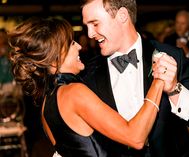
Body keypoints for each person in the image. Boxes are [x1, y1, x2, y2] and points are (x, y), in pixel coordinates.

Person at [8, 17, 165, 157]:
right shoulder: (74, 93)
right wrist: (158, 81)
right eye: (70, 43)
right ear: (54, 60)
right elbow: (135, 138)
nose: (79, 46)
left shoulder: (45, 105)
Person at [81, 0, 189, 157]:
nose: (89, 33)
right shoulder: (88, 74)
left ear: (122, 16)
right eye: (87, 26)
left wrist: (174, 89)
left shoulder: (172, 56)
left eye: (95, 24)